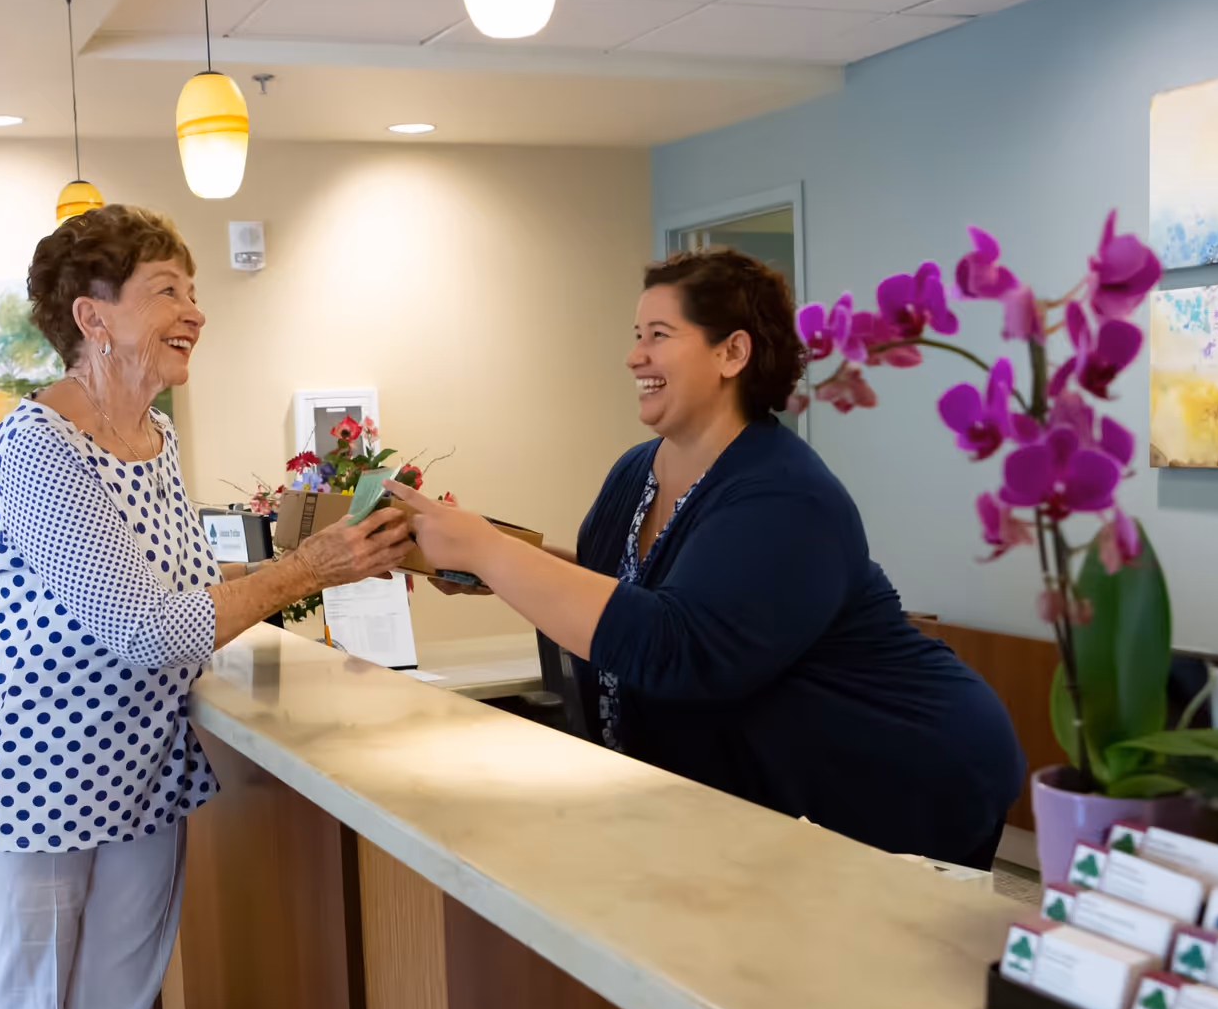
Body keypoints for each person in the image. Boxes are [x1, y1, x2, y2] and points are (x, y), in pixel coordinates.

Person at [0, 204, 410, 1009]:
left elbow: (185, 588)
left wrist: (322, 557)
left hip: (140, 772)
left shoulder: (156, 438)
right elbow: (146, 629)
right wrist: (303, 570)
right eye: (167, 290)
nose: (195, 310)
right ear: (90, 316)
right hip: (20, 779)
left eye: (192, 291)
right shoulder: (38, 445)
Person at [388, 249, 1023, 867]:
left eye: (658, 335)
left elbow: (677, 645)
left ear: (732, 352)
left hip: (902, 771)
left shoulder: (786, 494)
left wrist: (494, 553)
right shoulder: (636, 471)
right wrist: (495, 566)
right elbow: (620, 586)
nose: (634, 355)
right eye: (637, 334)